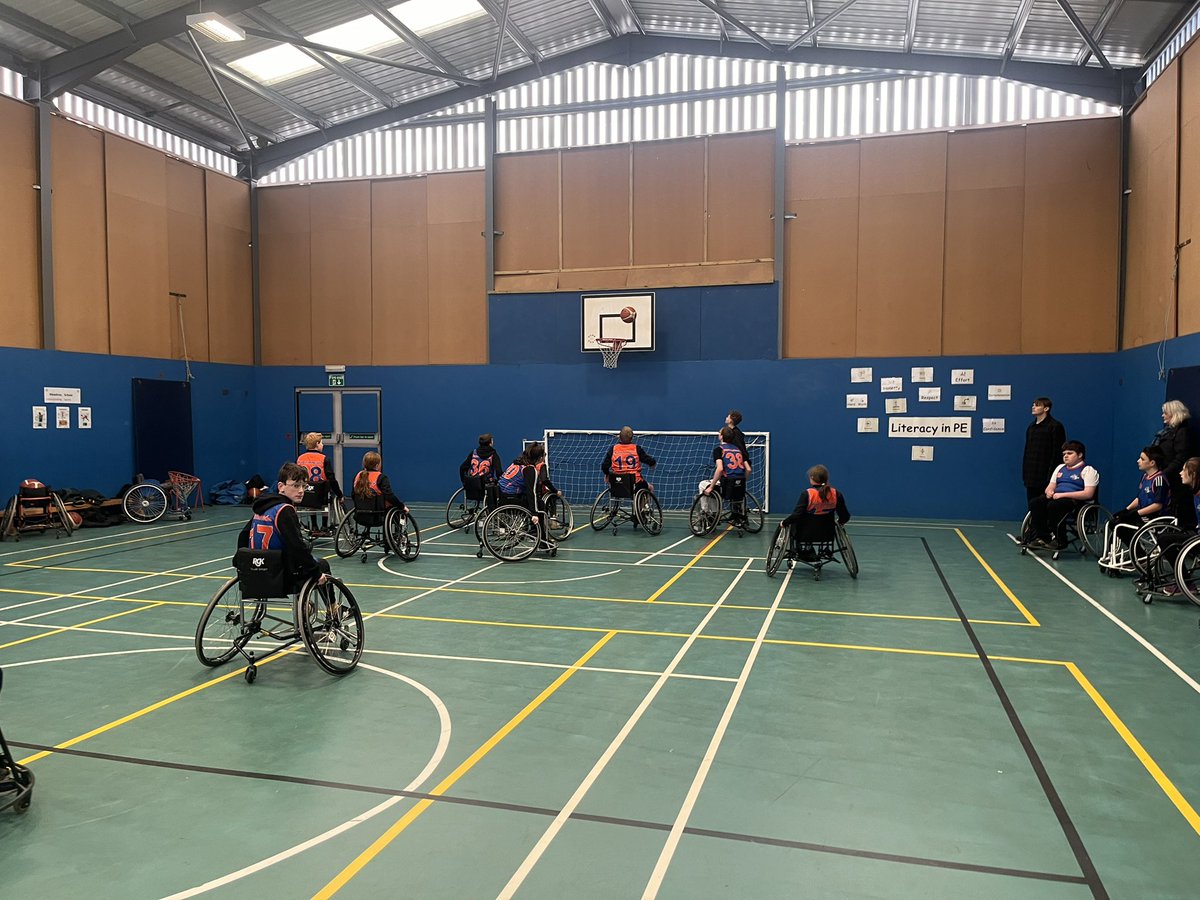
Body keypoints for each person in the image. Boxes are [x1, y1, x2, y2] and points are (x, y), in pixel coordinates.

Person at [237, 462, 329, 590]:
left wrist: (240, 563)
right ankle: (333, 607)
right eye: (296, 486)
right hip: (279, 575)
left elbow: (243, 536)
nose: (301, 491)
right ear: (281, 486)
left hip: (254, 571)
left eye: (304, 486)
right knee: (321, 565)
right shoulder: (285, 510)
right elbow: (296, 546)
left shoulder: (263, 507)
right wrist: (316, 573)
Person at [1025, 441, 1099, 549]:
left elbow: (1088, 494)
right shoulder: (1060, 468)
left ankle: (1060, 540)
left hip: (1075, 502)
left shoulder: (1088, 470)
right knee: (1036, 503)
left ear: (1080, 455)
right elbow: (1051, 486)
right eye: (1064, 454)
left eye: (1070, 453)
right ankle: (1043, 536)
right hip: (1057, 497)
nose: (1066, 456)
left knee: (1054, 506)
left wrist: (1063, 495)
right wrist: (1049, 491)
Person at [1105, 446, 1170, 555]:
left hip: (1155, 517)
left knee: (1120, 524)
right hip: (1142, 514)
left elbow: (1158, 505)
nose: (1138, 461)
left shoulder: (1159, 479)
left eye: (1142, 459)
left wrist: (1136, 513)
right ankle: (1112, 554)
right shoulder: (1145, 477)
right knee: (1115, 521)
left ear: (1152, 463)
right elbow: (1140, 498)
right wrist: (1127, 510)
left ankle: (1139, 554)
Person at [782, 464, 851, 559]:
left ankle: (800, 550)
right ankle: (825, 550)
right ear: (826, 478)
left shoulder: (807, 494)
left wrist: (784, 522)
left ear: (812, 478)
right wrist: (840, 522)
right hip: (827, 534)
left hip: (804, 534)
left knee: (793, 523)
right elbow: (845, 516)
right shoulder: (836, 494)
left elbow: (796, 515)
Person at [1152, 400, 1199, 529]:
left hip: (1177, 481)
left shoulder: (1183, 433)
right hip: (1169, 477)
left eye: (1165, 413)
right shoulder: (1168, 432)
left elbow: (1181, 457)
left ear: (1173, 414)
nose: (1163, 416)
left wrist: (1163, 473)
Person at [297, 432, 344, 537]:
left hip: (306, 493)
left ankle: (313, 525)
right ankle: (324, 525)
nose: (323, 445)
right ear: (317, 444)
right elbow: (331, 479)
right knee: (326, 500)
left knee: (310, 501)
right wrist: (339, 494)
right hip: (321, 494)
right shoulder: (324, 458)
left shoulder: (300, 458)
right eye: (322, 443)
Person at [1023, 397, 1066, 502]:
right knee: (1032, 503)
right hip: (1031, 474)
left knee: (1045, 503)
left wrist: (1052, 475)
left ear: (1046, 408)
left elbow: (1057, 453)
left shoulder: (1055, 426)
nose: (1033, 407)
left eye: (1037, 405)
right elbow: (1027, 450)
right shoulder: (1031, 427)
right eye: (1033, 405)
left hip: (1046, 474)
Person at [600, 427, 657, 493]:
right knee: (650, 487)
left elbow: (604, 466)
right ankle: (643, 503)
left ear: (619, 437)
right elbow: (648, 460)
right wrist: (653, 463)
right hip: (635, 483)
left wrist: (607, 474)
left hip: (617, 482)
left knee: (616, 483)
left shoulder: (613, 449)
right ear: (632, 438)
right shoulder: (636, 449)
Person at [353, 451, 408, 516]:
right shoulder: (381, 478)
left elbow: (353, 495)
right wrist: (402, 506)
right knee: (396, 505)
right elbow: (389, 496)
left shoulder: (358, 476)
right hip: (378, 515)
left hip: (360, 514)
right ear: (377, 466)